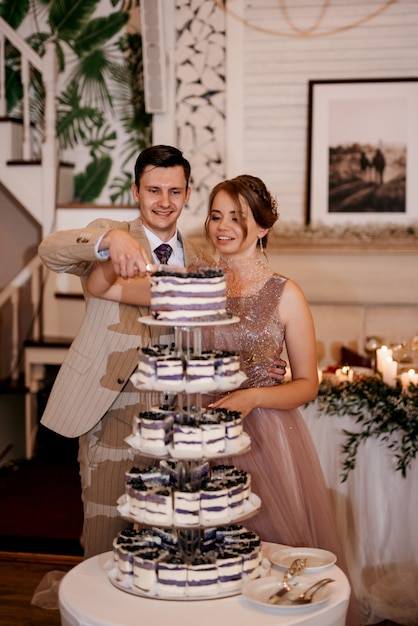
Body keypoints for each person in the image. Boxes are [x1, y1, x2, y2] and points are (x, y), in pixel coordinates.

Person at [87, 173, 361, 625]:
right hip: (193, 435)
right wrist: (112, 244)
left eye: (238, 216)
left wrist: (253, 396)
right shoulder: (190, 284)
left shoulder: (285, 294)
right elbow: (102, 287)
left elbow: (308, 383)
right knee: (198, 566)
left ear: (263, 226)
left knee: (261, 560)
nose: (223, 226)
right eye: (216, 215)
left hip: (264, 438)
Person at [38, 146, 286, 559]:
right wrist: (110, 239)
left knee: (167, 548)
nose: (164, 202)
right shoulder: (110, 236)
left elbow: (214, 338)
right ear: (136, 190)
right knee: (105, 541)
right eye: (154, 190)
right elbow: (51, 250)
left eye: (175, 191)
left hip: (179, 426)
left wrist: (258, 365)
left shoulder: (205, 263)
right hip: (111, 411)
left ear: (188, 194)